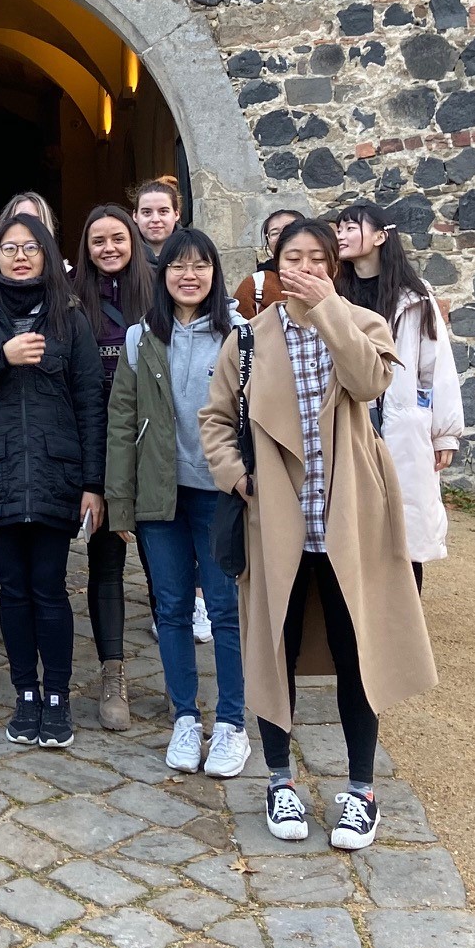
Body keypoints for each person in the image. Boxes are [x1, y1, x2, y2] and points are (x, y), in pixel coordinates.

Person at [199, 217, 436, 852]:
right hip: (275, 519)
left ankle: (361, 790)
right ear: (273, 267)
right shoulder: (247, 340)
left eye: (317, 259)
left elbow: (368, 382)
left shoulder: (363, 325)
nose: (303, 268)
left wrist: (329, 309)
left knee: (358, 650)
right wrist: (238, 479)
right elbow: (216, 418)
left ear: (333, 267)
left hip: (349, 520)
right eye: (291, 258)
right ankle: (280, 780)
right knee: (270, 650)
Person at [0, 212, 105, 749]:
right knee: (12, 591)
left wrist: (93, 483)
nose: (19, 256)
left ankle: (56, 696)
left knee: (50, 589)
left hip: (57, 472)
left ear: (47, 254)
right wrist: (1, 358)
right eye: (9, 248)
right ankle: (25, 693)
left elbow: (89, 404)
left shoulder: (70, 318)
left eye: (29, 248)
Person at [106, 228, 247, 776]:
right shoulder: (143, 338)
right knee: (169, 609)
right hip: (160, 495)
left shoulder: (240, 335)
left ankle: (232, 723)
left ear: (214, 273)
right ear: (161, 276)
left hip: (220, 495)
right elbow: (122, 421)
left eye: (200, 266)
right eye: (176, 267)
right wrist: (121, 502)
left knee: (225, 610)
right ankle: (186, 717)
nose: (189, 275)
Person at [334, 203, 465, 585]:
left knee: (404, 532)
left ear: (380, 236)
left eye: (351, 227)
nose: (340, 234)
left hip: (400, 422)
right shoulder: (335, 293)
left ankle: (403, 629)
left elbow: (435, 367)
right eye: (338, 228)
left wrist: (444, 432)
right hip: (349, 416)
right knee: (353, 524)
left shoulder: (414, 297)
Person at [70, 204, 156, 730]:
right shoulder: (73, 300)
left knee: (163, 568)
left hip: (154, 447)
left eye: (117, 238)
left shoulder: (160, 292)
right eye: (98, 240)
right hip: (97, 445)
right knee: (104, 566)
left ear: (132, 240)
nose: (108, 248)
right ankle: (113, 675)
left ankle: (181, 683)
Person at [233, 207, 302, 320]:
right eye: (274, 233)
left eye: (289, 229)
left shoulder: (327, 275)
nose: (282, 236)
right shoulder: (255, 284)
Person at [132, 176, 183, 264]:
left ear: (176, 214)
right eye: (147, 212)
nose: (155, 219)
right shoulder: (122, 256)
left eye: (163, 211)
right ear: (135, 216)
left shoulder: (195, 251)